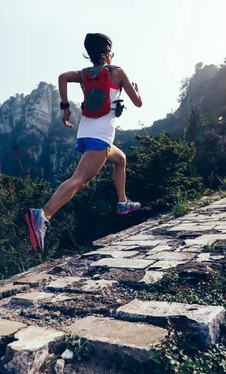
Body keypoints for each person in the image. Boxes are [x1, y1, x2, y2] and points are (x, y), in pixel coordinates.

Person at [25, 33, 143, 252]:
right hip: (101, 136)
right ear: (108, 53)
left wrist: (65, 107)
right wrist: (136, 91)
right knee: (80, 180)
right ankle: (43, 214)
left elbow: (62, 77)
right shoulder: (118, 72)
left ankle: (122, 201)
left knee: (121, 159)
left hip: (86, 134)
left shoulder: (84, 74)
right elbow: (138, 103)